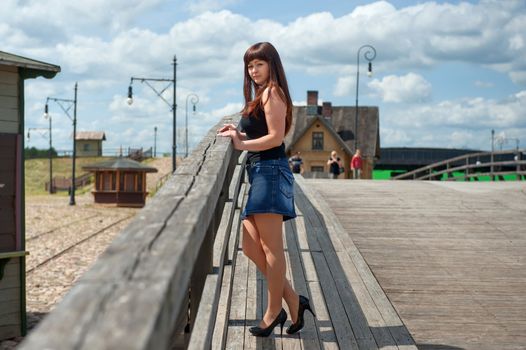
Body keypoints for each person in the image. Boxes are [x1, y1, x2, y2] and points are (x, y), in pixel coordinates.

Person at [217, 42, 315, 337]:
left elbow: (274, 138)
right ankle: (294, 300)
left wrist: (242, 144)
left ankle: (273, 312)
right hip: (260, 172)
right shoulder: (261, 95)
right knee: (250, 246)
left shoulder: (274, 92)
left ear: (272, 65)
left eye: (259, 64)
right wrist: (239, 133)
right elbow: (261, 131)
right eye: (249, 65)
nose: (253, 70)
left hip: (270, 171)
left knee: (272, 248)